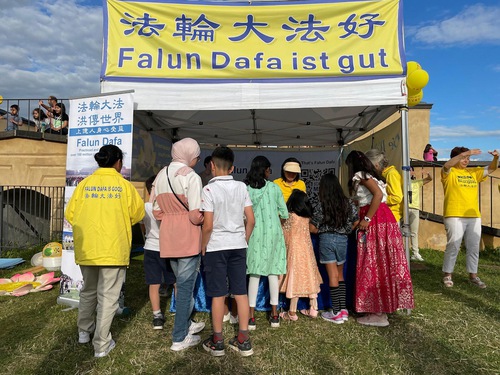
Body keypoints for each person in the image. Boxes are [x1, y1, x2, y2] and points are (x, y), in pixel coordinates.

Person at [64, 145, 145, 358]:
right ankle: (101, 344)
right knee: (108, 296)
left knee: (88, 290)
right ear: (118, 162)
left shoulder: (84, 184)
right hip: (113, 247)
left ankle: (84, 332)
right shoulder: (124, 185)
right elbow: (137, 214)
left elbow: (70, 214)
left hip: (88, 248)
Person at [345, 150, 414, 327]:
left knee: (373, 263)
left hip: (375, 220)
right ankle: (380, 308)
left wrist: (366, 219)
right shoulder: (374, 176)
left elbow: (378, 196)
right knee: (381, 263)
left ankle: (376, 312)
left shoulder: (361, 175)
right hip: (383, 219)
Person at [200, 146, 255, 357]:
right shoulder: (241, 187)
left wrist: (203, 244)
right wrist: (244, 239)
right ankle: (243, 339)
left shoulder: (208, 190)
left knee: (217, 294)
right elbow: (251, 220)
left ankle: (218, 340)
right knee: (240, 292)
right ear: (232, 167)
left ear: (212, 165)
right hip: (238, 245)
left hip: (216, 246)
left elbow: (208, 225)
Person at [153, 137, 205, 351]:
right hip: (187, 236)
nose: (197, 159)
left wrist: (172, 216)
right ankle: (179, 337)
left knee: (181, 284)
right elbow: (195, 215)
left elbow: (156, 210)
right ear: (190, 155)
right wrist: (205, 219)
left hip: (168, 234)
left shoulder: (160, 174)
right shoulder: (191, 176)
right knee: (185, 288)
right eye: (196, 155)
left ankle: (187, 323)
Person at [441, 147, 498, 288]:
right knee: (453, 245)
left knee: (473, 247)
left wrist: (496, 158)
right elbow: (446, 165)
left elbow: (491, 169)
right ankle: (447, 274)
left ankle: (473, 275)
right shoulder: (449, 172)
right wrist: (464, 153)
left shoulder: (473, 172)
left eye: (468, 159)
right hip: (454, 214)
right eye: (463, 158)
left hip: (473, 216)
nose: (466, 160)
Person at [245, 156, 288, 329]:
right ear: (265, 170)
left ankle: (251, 317)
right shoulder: (274, 188)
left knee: (254, 275)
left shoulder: (247, 190)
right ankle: (275, 315)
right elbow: (284, 214)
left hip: (254, 234)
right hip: (273, 235)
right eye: (269, 168)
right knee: (273, 273)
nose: (271, 172)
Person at [310, 173, 358, 324]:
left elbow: (312, 227)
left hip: (326, 240)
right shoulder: (348, 203)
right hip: (343, 239)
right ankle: (343, 310)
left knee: (332, 276)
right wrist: (346, 230)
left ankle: (335, 312)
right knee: (340, 274)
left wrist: (321, 229)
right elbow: (356, 221)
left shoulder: (321, 204)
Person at [279, 189, 322, 321]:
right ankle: (313, 308)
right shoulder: (306, 218)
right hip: (307, 250)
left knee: (294, 280)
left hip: (294, 251)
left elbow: (283, 233)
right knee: (310, 277)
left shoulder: (290, 217)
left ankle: (292, 312)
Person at [142, 175, 176, 330]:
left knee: (153, 283)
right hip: (168, 247)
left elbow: (143, 227)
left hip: (150, 247)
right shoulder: (167, 208)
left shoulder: (145, 207)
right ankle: (180, 310)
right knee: (176, 281)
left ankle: (157, 316)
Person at [365, 149, 403, 222]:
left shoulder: (391, 174)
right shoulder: (383, 174)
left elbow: (397, 198)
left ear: (376, 165)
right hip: (384, 215)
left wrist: (378, 199)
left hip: (392, 216)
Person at [408, 167, 432, 261]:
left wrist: (428, 173)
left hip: (414, 209)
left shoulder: (417, 182)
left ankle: (415, 253)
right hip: (403, 208)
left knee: (414, 232)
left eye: (410, 170)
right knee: (399, 231)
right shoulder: (401, 181)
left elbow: (430, 179)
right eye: (407, 170)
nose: (409, 172)